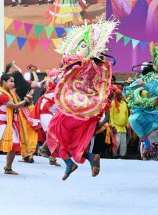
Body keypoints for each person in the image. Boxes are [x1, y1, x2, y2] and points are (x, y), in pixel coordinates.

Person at [46, 19, 119, 180]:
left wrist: (55, 79)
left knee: (53, 131)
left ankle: (69, 163)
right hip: (86, 112)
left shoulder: (77, 65)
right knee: (71, 141)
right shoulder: (96, 67)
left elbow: (61, 81)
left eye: (82, 46)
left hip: (71, 110)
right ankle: (91, 158)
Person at [0, 74, 33, 174]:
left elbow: (19, 102)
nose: (13, 83)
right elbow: (15, 106)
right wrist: (26, 100)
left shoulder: (10, 93)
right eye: (11, 81)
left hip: (10, 122)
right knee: (8, 142)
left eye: (13, 81)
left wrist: (27, 99)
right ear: (4, 82)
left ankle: (8, 168)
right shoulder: (1, 95)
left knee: (13, 145)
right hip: (1, 122)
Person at [109, 88, 129, 158]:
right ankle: (113, 157)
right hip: (116, 127)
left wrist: (127, 125)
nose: (120, 97)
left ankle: (122, 157)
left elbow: (126, 115)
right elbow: (110, 115)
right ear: (115, 95)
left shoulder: (124, 104)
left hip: (123, 128)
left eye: (121, 95)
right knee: (116, 143)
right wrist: (113, 126)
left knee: (123, 144)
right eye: (118, 95)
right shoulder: (112, 103)